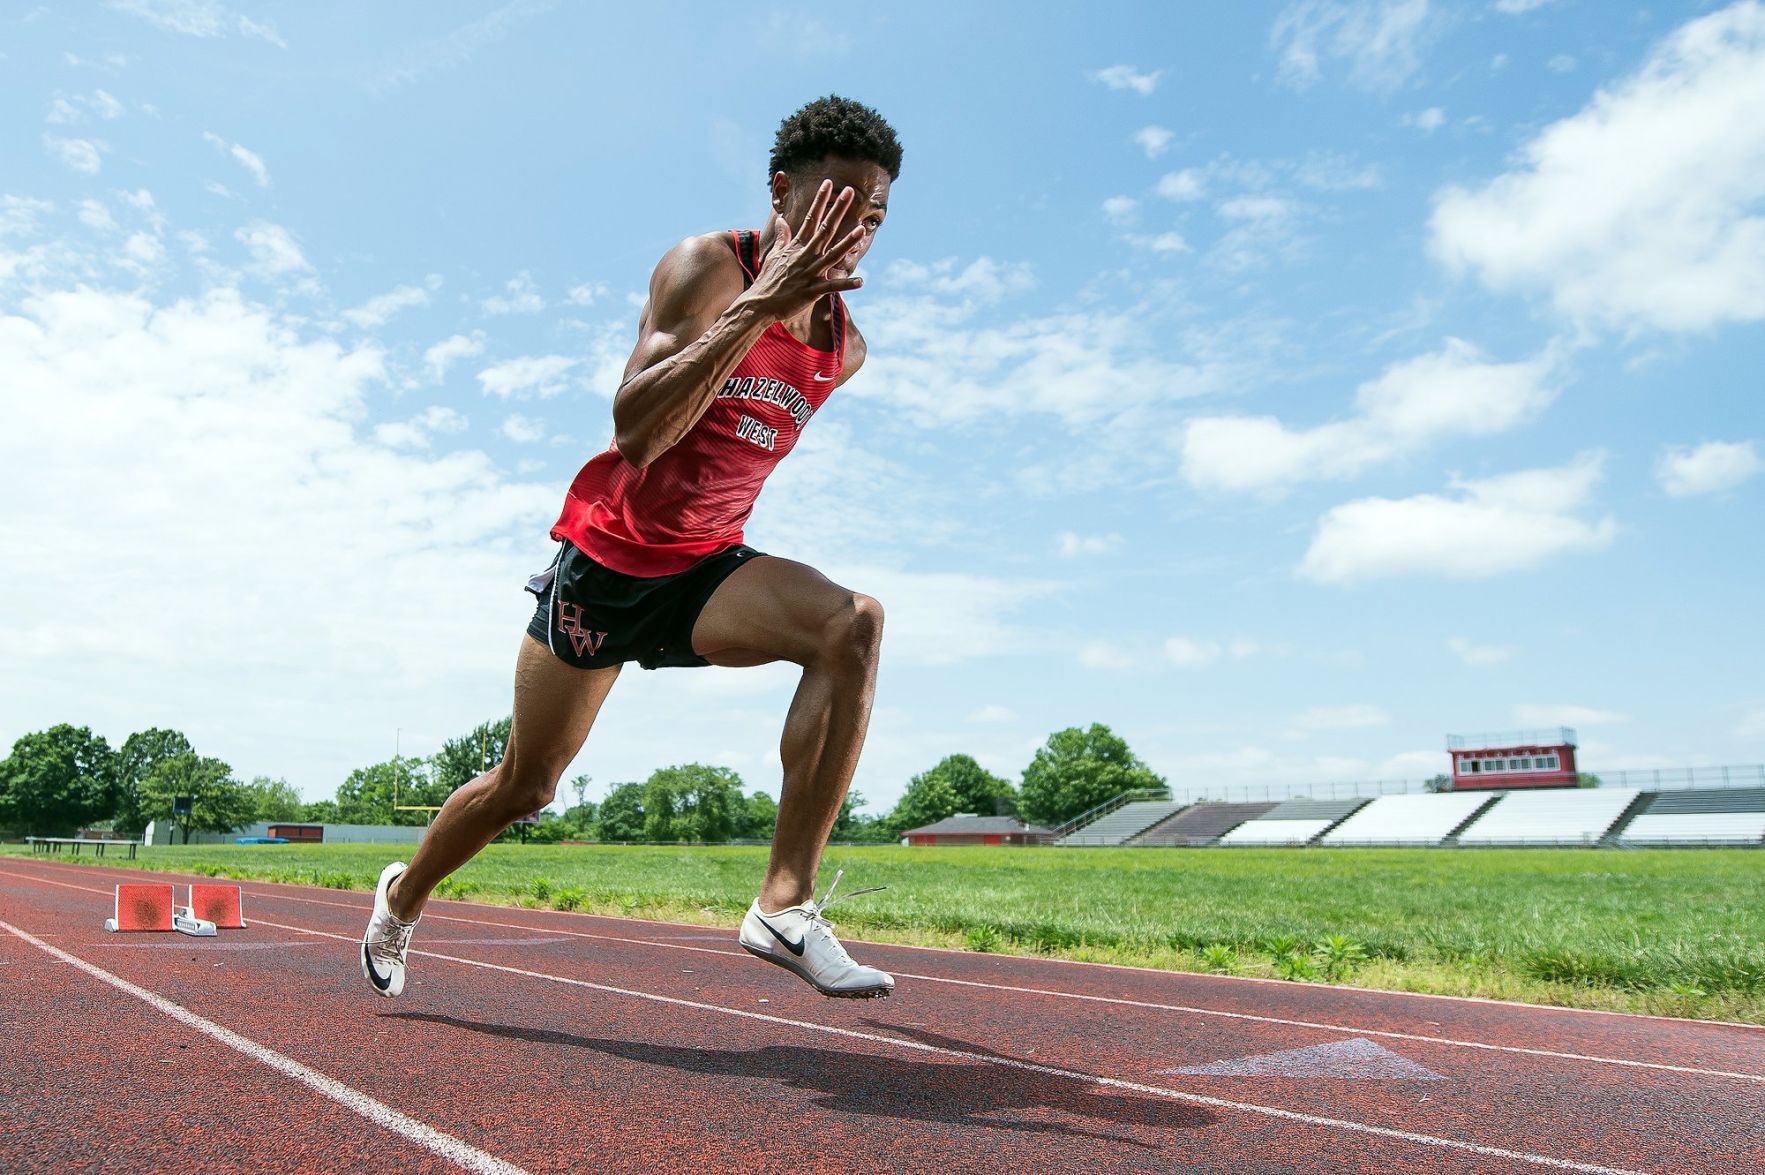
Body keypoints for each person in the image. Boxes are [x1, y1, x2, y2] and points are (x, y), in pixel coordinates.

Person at [362, 95, 903, 1000]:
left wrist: (793, 311)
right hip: (608, 567)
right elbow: (639, 434)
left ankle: (783, 904)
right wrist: (763, 302)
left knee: (852, 625)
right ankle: (403, 894)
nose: (855, 233)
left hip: (704, 573)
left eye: (874, 217)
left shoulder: (843, 350)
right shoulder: (707, 269)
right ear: (781, 192)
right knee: (526, 785)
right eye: (836, 206)